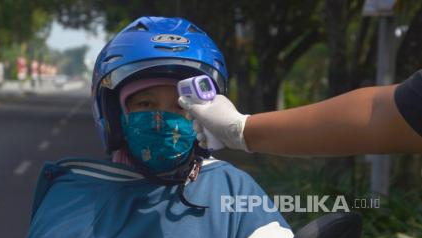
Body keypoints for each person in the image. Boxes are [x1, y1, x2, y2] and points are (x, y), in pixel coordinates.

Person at [15, 17, 293, 238]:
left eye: (180, 106)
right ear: (116, 115)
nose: (164, 119)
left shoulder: (231, 188)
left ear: (204, 116)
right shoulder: (75, 196)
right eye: (146, 105)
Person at [179, 72, 422, 156]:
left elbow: (384, 113)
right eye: (146, 103)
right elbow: (384, 111)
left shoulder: (232, 186)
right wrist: (242, 129)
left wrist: (241, 130)